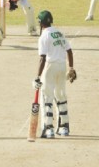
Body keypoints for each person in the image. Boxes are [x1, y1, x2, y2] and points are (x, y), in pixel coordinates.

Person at [32, 10, 77, 139]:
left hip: (50, 67)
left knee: (47, 97)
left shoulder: (44, 36)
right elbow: (69, 51)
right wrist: (71, 68)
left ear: (41, 23)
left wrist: (37, 77)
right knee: (61, 95)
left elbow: (42, 58)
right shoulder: (59, 32)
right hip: (62, 67)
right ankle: (64, 127)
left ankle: (48, 129)